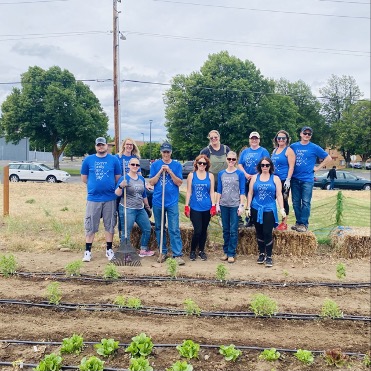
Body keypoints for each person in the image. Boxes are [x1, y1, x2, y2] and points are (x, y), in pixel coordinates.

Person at [80, 137, 121, 262]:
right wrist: (95, 187)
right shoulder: (88, 160)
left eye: (102, 145)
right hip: (93, 198)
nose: (100, 147)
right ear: (95, 146)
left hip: (109, 198)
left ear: (106, 146)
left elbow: (117, 177)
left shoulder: (113, 160)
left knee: (110, 225)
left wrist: (107, 187)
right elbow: (84, 178)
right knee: (90, 225)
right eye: (98, 145)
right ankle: (88, 251)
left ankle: (109, 249)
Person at [290, 126, 332, 232]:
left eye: (309, 134)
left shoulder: (314, 147)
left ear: (311, 136)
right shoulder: (293, 146)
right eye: (305, 133)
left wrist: (317, 168)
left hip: (307, 179)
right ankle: (298, 222)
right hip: (294, 178)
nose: (307, 135)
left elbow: (328, 158)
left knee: (306, 202)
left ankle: (304, 224)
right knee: (295, 202)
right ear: (300, 134)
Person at [149, 142, 185, 265]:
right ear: (161, 152)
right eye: (164, 152)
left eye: (168, 152)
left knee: (174, 228)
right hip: (158, 201)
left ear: (171, 152)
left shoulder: (176, 165)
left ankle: (177, 254)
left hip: (172, 202)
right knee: (159, 227)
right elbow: (152, 182)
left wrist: (169, 171)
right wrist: (160, 171)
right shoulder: (155, 165)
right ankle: (162, 252)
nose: (166, 154)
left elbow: (179, 182)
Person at [246, 157, 286, 267]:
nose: (265, 167)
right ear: (260, 166)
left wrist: (282, 208)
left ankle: (269, 256)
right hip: (256, 207)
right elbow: (250, 193)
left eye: (267, 165)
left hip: (269, 208)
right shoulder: (254, 178)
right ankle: (261, 253)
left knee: (267, 232)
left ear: (270, 166)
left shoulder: (275, 178)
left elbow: (278, 194)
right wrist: (248, 207)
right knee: (259, 231)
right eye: (263, 165)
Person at [114, 157, 154, 257]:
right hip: (127, 209)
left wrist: (147, 206)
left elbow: (144, 194)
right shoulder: (124, 178)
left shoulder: (141, 178)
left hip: (140, 209)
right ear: (129, 166)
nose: (135, 166)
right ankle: (125, 253)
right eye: (133, 164)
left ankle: (143, 250)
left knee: (147, 229)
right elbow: (117, 193)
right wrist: (120, 186)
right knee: (126, 232)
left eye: (137, 165)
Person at [215, 151, 246, 263]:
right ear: (226, 160)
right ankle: (226, 251)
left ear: (236, 160)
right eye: (229, 159)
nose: (231, 161)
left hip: (234, 205)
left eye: (233, 159)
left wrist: (241, 205)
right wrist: (217, 203)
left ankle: (231, 253)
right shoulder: (221, 173)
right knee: (226, 229)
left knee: (233, 230)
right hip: (224, 204)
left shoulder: (239, 174)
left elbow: (242, 190)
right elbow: (219, 190)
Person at [184, 155, 216, 261]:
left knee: (204, 230)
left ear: (207, 165)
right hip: (195, 207)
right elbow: (189, 191)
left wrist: (213, 205)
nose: (202, 165)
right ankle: (193, 250)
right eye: (200, 163)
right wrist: (186, 206)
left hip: (206, 207)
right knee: (197, 230)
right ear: (196, 164)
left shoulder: (210, 176)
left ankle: (201, 250)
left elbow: (211, 192)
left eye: (204, 163)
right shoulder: (191, 175)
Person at [238, 131, 270, 226]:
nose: (254, 140)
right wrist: (246, 174)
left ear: (259, 140)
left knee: (256, 199)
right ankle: (249, 218)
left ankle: (257, 218)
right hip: (246, 178)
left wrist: (257, 175)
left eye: (256, 138)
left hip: (258, 179)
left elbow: (267, 164)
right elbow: (240, 164)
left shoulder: (263, 151)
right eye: (252, 138)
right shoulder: (245, 151)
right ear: (249, 140)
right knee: (248, 198)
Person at [271, 130, 296, 230]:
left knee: (284, 200)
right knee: (272, 199)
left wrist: (288, 179)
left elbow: (291, 167)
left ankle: (284, 222)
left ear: (286, 140)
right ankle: (273, 220)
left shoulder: (288, 150)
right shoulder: (274, 150)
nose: (281, 140)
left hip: (283, 180)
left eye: (283, 138)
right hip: (274, 179)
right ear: (276, 139)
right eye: (279, 138)